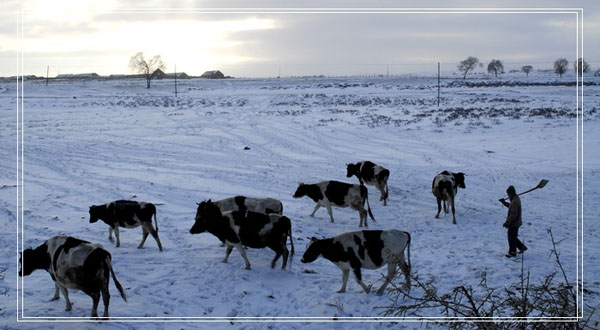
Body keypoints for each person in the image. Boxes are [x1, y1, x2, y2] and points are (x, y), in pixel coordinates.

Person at [499, 186, 527, 258]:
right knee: (513, 236)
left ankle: (512, 252)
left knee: (511, 237)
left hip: (514, 223)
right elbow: (511, 206)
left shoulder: (515, 201)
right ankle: (521, 247)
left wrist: (508, 222)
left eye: (508, 194)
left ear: (511, 193)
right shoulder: (515, 199)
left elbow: (513, 214)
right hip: (516, 222)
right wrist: (504, 202)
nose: (508, 195)